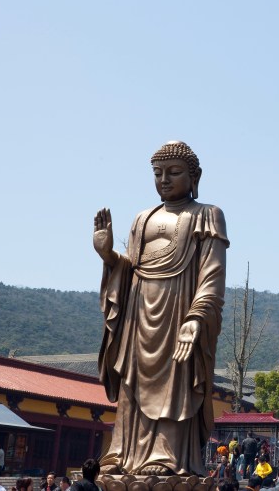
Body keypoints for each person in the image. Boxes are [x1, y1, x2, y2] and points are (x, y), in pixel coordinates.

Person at [94, 141, 229, 476]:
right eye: (158, 173)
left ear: (194, 175)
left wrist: (196, 318)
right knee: (132, 381)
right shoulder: (143, 218)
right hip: (138, 314)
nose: (164, 180)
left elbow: (212, 275)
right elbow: (132, 269)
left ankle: (167, 455)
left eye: (174, 172)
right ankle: (126, 452)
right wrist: (109, 256)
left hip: (179, 310)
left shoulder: (207, 214)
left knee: (175, 380)